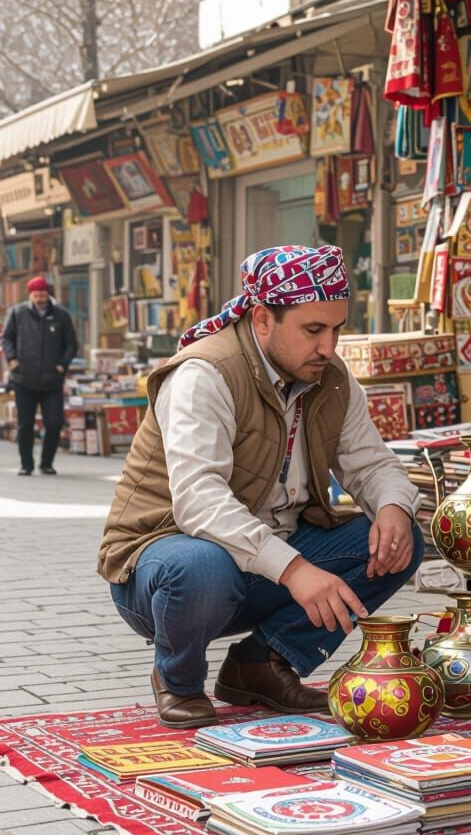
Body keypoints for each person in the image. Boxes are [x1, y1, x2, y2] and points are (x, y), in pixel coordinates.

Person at [97, 245, 422, 729]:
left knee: (402, 540)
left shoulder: (330, 377)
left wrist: (394, 505)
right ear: (264, 319)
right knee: (202, 568)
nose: (328, 347)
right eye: (313, 330)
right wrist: (293, 570)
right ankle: (178, 679)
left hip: (269, 560)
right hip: (167, 566)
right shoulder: (203, 375)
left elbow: (371, 464)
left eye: (336, 329)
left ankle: (262, 663)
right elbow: (199, 503)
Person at [1, 275, 78, 476]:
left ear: (48, 294)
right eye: (36, 295)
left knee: (54, 423)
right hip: (23, 379)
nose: (39, 299)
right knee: (25, 425)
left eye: (42, 295)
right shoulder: (17, 313)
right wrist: (12, 360)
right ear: (30, 295)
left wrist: (62, 365)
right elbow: (6, 338)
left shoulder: (61, 315)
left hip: (52, 380)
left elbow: (71, 344)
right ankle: (26, 464)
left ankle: (46, 463)